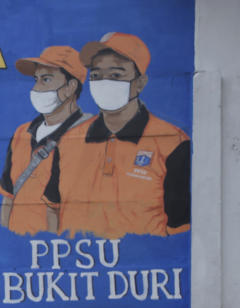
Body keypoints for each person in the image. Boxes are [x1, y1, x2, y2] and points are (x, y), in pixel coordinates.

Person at [55, 32, 190, 238]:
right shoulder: (68, 141)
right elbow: (51, 210)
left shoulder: (172, 143)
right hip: (78, 265)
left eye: (116, 75)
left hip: (142, 267)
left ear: (141, 82)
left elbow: (181, 229)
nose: (104, 83)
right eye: (96, 75)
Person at [0, 46, 91, 235]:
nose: (37, 88)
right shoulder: (22, 133)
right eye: (36, 80)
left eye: (46, 79)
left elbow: (55, 209)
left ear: (70, 87)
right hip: (16, 248)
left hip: (53, 250)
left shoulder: (87, 135)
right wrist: (4, 239)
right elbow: (8, 197)